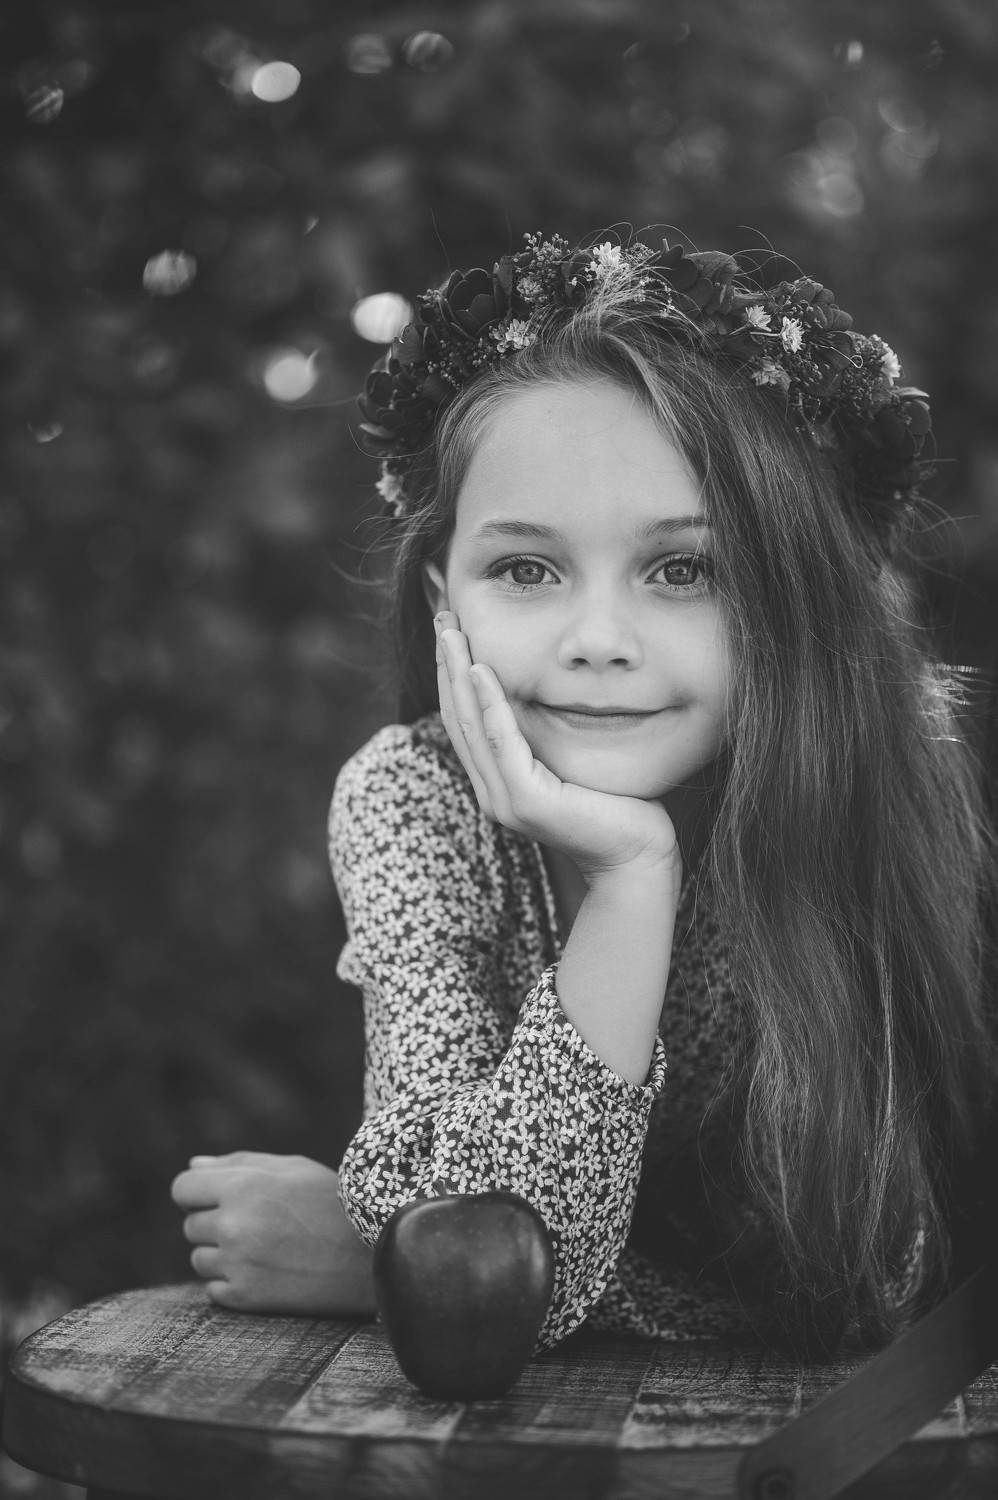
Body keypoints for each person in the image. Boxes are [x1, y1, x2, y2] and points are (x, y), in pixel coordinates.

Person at [172, 231, 996, 1356]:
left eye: (683, 570)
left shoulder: (857, 799)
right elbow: (460, 1255)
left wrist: (372, 1264)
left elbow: (861, 1284)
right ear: (444, 600)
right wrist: (629, 881)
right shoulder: (416, 802)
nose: (597, 639)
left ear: (794, 600)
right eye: (526, 568)